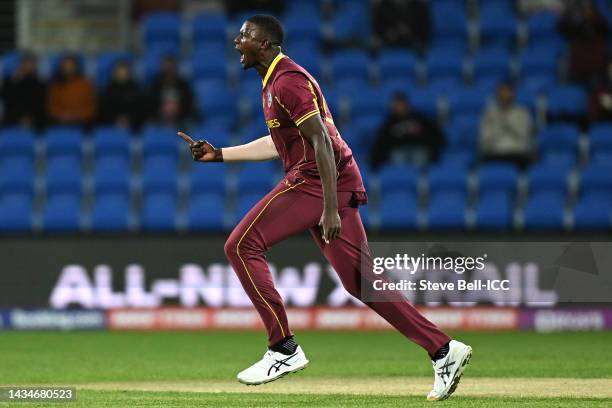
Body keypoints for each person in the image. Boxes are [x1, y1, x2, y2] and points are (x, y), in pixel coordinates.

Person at [177, 15, 471, 401]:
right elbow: (279, 142)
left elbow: (322, 143)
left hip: (317, 181)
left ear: (265, 44)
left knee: (241, 246)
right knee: (361, 281)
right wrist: (220, 156)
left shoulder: (288, 82)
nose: (237, 41)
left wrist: (329, 208)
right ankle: (444, 350)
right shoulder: (275, 83)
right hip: (331, 181)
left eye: (246, 35)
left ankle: (282, 348)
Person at [370, 92, 443, 169]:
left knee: (419, 156)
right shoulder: (390, 123)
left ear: (406, 104)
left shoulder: (418, 118)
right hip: (399, 151)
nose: (398, 107)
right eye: (396, 104)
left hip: (418, 148)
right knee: (398, 157)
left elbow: (435, 134)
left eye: (400, 103)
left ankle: (421, 179)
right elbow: (381, 142)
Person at [479, 81, 533, 168]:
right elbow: (484, 139)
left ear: (513, 94)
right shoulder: (488, 114)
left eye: (507, 92)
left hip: (516, 153)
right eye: (502, 91)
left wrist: (507, 121)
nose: (504, 95)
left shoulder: (522, 113)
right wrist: (498, 126)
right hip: (494, 153)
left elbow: (525, 136)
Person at [557, 0, 609, 86]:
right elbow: (560, 27)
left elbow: (605, 28)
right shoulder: (573, 19)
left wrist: (592, 15)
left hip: (597, 66)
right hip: (578, 66)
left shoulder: (597, 19)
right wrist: (568, 13)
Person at [46, 54, 96, 127]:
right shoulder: (55, 85)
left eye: (71, 65)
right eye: (66, 65)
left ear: (76, 66)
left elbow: (92, 106)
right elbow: (51, 106)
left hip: (82, 121)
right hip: (60, 121)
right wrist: (62, 115)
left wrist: (79, 115)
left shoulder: (86, 84)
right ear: (61, 67)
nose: (68, 68)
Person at [1, 52, 46, 129]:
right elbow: (7, 100)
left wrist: (29, 118)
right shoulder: (10, 82)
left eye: (31, 64)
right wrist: (14, 82)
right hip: (13, 117)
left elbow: (40, 104)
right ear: (21, 65)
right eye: (26, 63)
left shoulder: (40, 84)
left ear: (35, 66)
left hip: (34, 118)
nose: (28, 66)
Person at [98, 61, 146, 131]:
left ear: (129, 72)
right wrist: (116, 119)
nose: (122, 73)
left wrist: (129, 119)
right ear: (114, 73)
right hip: (111, 125)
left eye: (124, 71)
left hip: (133, 125)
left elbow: (141, 108)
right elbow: (104, 109)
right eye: (119, 71)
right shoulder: (108, 90)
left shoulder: (136, 89)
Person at [149, 55, 193, 127]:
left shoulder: (183, 84)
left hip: (180, 118)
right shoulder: (155, 85)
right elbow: (151, 103)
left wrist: (178, 112)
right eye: (166, 66)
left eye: (170, 66)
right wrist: (160, 112)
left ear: (175, 67)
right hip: (159, 118)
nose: (168, 69)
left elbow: (188, 103)